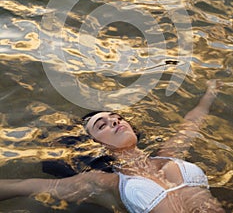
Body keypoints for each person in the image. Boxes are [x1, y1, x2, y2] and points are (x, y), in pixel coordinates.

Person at [0, 80, 225, 212]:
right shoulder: (106, 182)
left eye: (116, 117)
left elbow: (192, 123)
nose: (115, 121)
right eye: (102, 125)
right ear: (94, 144)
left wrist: (210, 92)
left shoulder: (167, 155)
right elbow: (24, 185)